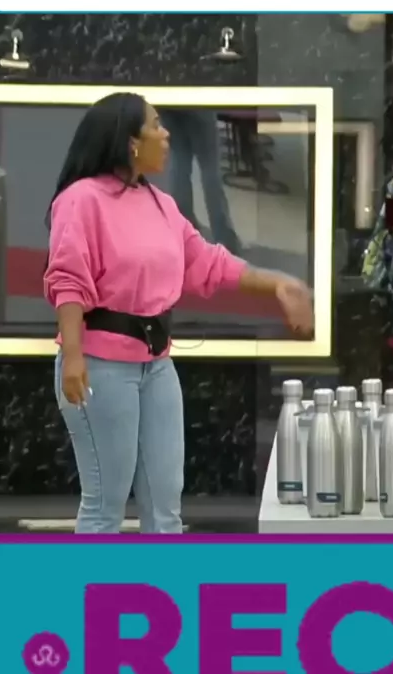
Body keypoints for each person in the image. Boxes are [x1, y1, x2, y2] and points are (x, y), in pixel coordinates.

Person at [44, 93, 313, 534]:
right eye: (156, 125)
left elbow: (209, 262)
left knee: (166, 505)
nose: (167, 134)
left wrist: (280, 283)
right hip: (99, 366)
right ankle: (90, 579)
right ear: (131, 142)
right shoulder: (81, 200)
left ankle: (163, 575)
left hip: (156, 365)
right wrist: (73, 356)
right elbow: (68, 280)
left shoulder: (161, 204)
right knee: (106, 503)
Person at [161, 108, 241, 254]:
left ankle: (184, 232)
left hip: (168, 106)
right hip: (197, 106)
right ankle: (224, 238)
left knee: (179, 165)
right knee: (210, 169)